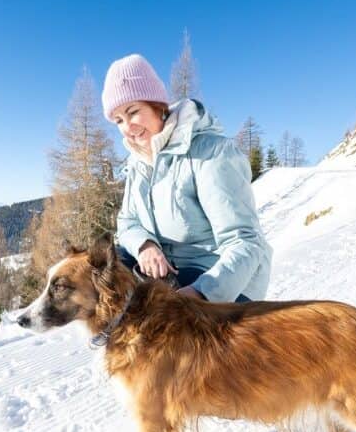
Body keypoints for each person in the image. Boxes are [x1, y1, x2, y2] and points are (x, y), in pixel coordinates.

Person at [102, 53, 272, 303]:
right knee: (100, 271)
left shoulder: (210, 152)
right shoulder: (137, 162)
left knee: (170, 329)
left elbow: (244, 241)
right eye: (118, 120)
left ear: (158, 106)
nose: (127, 127)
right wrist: (145, 246)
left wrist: (201, 293)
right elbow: (127, 221)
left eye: (133, 112)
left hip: (219, 277)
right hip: (168, 272)